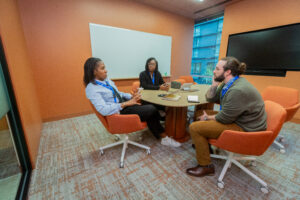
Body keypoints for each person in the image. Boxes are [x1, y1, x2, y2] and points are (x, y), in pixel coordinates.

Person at [186, 57, 267, 177]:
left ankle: (206, 166)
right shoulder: (229, 83)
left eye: (217, 69)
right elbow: (210, 98)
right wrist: (214, 84)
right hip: (238, 118)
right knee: (199, 114)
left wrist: (207, 118)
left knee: (194, 127)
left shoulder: (237, 90)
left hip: (246, 128)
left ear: (228, 72)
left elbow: (224, 118)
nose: (213, 71)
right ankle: (205, 147)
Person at [84, 57, 181, 147]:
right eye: (103, 68)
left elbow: (118, 93)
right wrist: (126, 103)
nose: (106, 70)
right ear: (94, 71)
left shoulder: (106, 80)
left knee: (150, 108)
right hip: (118, 111)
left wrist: (131, 96)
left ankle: (162, 134)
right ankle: (164, 136)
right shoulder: (92, 89)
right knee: (151, 109)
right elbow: (103, 110)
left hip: (124, 104)